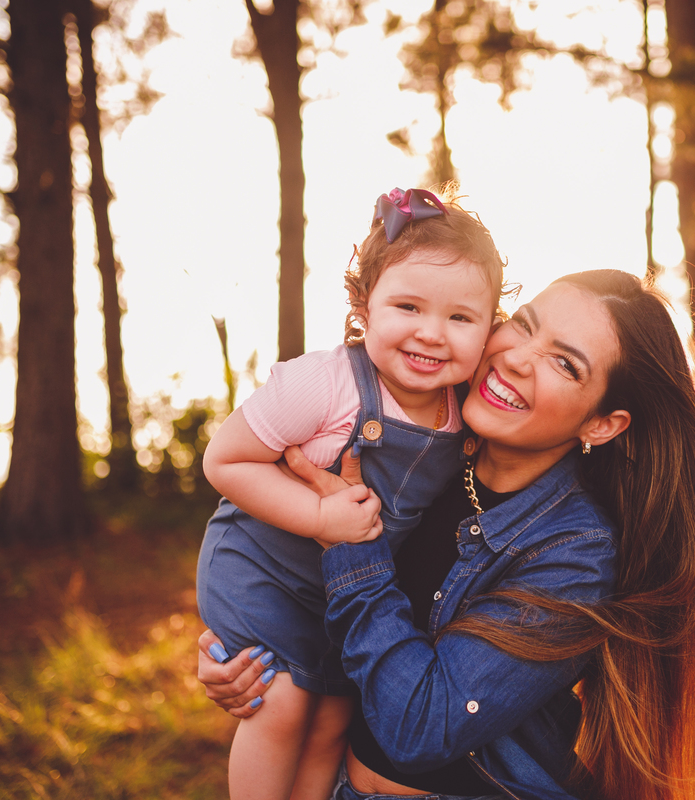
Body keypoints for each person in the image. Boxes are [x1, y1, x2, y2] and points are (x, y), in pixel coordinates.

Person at [199, 269, 695, 800]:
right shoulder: (428, 447)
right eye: (527, 324)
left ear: (601, 424)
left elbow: (420, 721)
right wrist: (255, 655)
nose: (515, 357)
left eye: (564, 362)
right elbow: (313, 603)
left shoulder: (575, 554)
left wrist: (350, 549)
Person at [196, 186, 509, 800]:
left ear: (490, 328)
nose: (432, 334)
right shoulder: (325, 382)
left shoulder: (465, 413)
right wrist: (316, 512)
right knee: (281, 701)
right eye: (409, 307)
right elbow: (224, 459)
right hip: (263, 564)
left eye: (460, 317)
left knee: (334, 716)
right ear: (364, 306)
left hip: (344, 591)